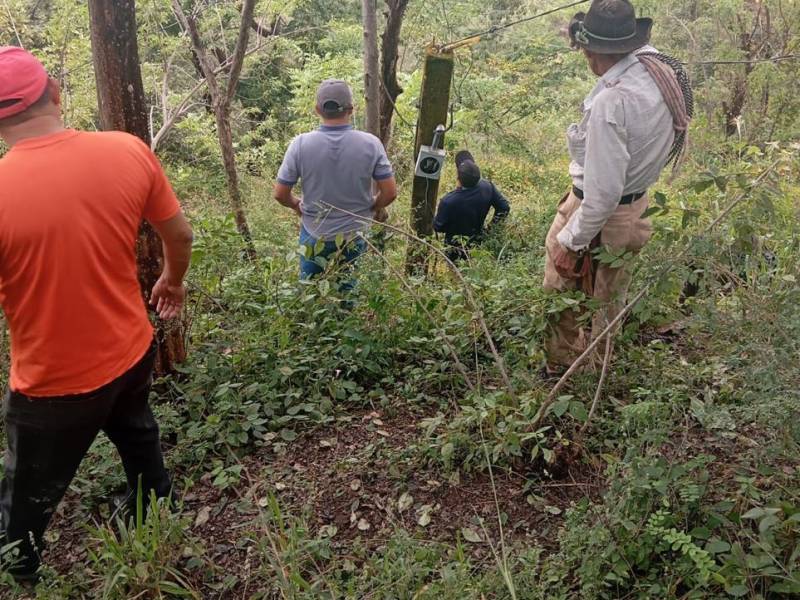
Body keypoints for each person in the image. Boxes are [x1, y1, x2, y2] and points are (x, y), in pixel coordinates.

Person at [0, 47, 193, 580]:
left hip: (52, 384)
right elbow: (178, 233)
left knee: (26, 498)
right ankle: (154, 514)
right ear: (55, 93)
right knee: (137, 438)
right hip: (131, 349)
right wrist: (171, 282)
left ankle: (21, 574)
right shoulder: (126, 150)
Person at [542, 0, 691, 375]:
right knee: (609, 301)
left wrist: (571, 243)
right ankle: (597, 372)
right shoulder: (660, 68)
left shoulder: (612, 103)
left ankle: (563, 372)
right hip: (635, 209)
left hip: (601, 211)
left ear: (592, 53)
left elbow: (603, 193)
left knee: (559, 291)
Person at [273, 79, 398, 292]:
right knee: (347, 293)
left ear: (317, 109)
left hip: (314, 231)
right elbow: (390, 192)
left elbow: (280, 194)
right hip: (355, 233)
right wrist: (372, 207)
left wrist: (296, 206)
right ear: (351, 109)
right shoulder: (371, 144)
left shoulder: (300, 144)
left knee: (309, 292)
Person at [433, 150, 510, 262]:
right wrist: (489, 229)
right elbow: (504, 207)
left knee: (455, 274)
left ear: (458, 179)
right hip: (477, 243)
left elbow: (438, 227)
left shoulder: (448, 201)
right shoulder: (487, 187)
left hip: (453, 250)